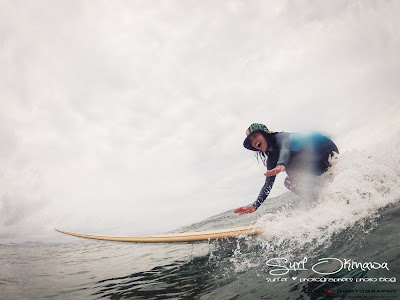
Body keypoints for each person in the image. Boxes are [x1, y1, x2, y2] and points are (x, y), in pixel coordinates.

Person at [234, 123, 339, 215]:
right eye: (251, 141)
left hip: (326, 150)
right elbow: (268, 184)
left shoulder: (281, 137)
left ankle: (319, 200)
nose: (254, 141)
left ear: (265, 134)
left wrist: (281, 163)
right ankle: (320, 200)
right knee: (289, 182)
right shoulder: (271, 159)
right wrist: (255, 205)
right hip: (315, 163)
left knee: (292, 171)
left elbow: (285, 148)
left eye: (256, 136)